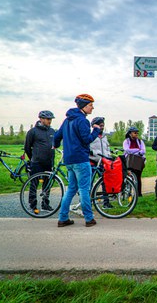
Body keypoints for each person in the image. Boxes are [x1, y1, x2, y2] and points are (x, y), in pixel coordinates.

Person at [54, 94, 101, 228]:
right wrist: (96, 130)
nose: (93, 108)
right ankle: (89, 219)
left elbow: (57, 135)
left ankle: (63, 218)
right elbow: (86, 139)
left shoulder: (67, 120)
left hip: (69, 160)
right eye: (91, 105)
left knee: (71, 189)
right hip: (81, 159)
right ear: (84, 106)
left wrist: (55, 144)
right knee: (84, 189)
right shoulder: (82, 121)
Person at [24, 110, 56, 213]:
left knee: (47, 184)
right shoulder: (33, 131)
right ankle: (33, 205)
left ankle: (45, 204)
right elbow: (27, 147)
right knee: (34, 184)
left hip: (49, 162)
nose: (49, 121)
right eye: (47, 119)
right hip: (37, 162)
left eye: (50, 119)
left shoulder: (52, 131)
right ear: (41, 119)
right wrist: (33, 157)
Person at [88, 116, 112, 209]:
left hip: (103, 162)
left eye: (103, 125)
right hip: (93, 161)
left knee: (105, 182)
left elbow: (107, 147)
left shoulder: (105, 137)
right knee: (89, 182)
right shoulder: (92, 136)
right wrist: (93, 153)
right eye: (100, 125)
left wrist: (108, 155)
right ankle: (87, 203)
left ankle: (106, 203)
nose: (102, 127)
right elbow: (87, 147)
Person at [123, 126, 146, 197]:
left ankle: (139, 193)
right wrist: (137, 150)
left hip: (138, 161)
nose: (136, 134)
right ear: (130, 133)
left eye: (137, 133)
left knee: (138, 177)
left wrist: (134, 152)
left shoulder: (140, 141)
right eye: (135, 133)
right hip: (129, 161)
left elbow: (143, 151)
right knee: (128, 177)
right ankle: (128, 193)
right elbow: (127, 150)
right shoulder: (126, 141)